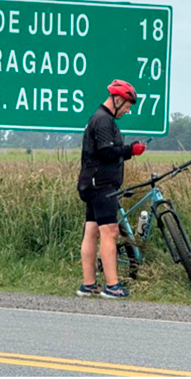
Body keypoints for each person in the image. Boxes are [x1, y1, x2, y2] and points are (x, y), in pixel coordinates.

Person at [76, 80, 147, 299]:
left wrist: (129, 151)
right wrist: (130, 150)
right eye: (127, 106)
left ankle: (88, 284)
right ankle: (112, 286)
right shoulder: (103, 120)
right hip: (102, 185)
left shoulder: (100, 118)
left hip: (91, 183)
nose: (127, 110)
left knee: (92, 232)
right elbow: (106, 152)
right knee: (110, 232)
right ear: (117, 99)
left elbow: (105, 151)